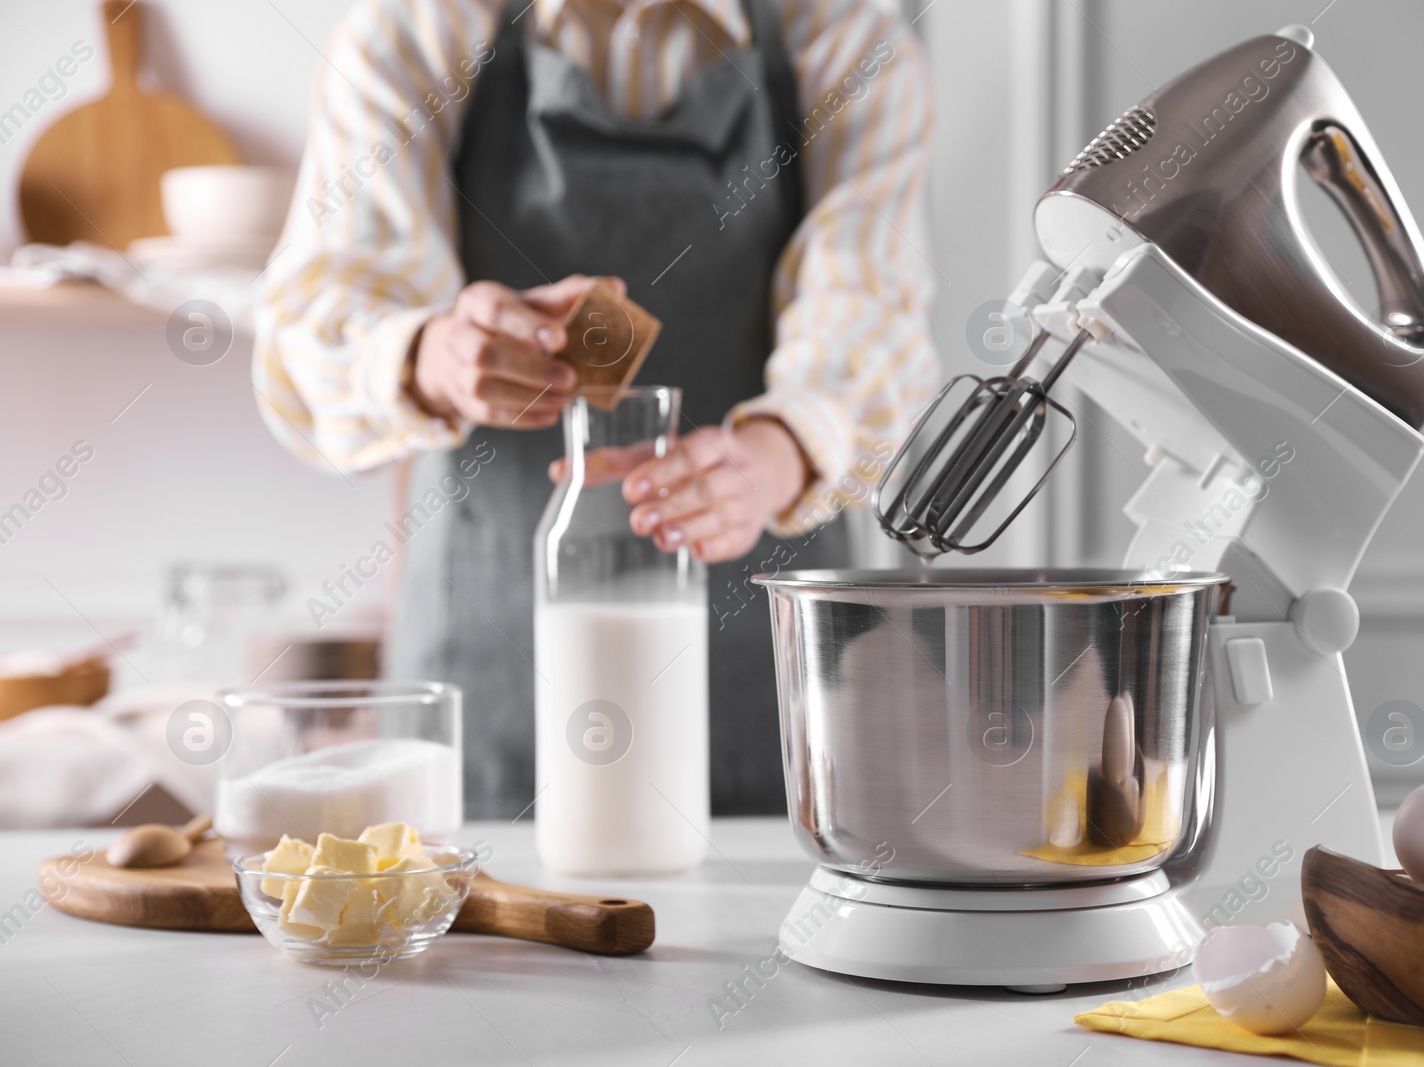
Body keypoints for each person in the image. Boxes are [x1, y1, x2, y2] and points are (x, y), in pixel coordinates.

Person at [254, 0, 938, 818]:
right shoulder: (414, 29)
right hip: (491, 706)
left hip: (781, 704)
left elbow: (873, 316)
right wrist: (433, 355)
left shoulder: (844, 34)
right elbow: (311, 332)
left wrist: (768, 459)